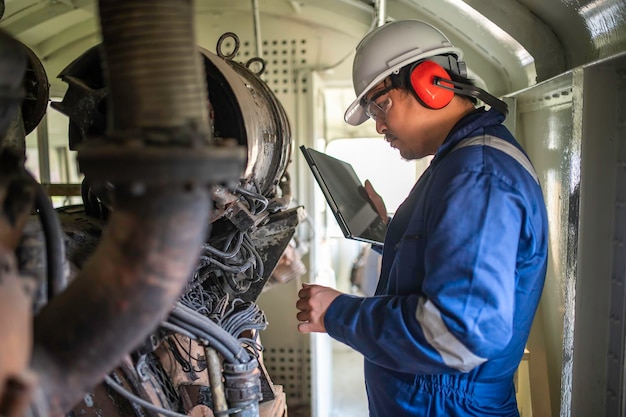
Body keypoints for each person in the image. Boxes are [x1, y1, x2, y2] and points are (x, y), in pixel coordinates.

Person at [295, 19, 549, 417]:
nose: (379, 125)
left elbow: (456, 333)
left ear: (430, 83)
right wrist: (388, 229)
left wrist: (337, 313)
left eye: (380, 105)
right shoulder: (461, 163)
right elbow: (448, 251)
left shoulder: (476, 174)